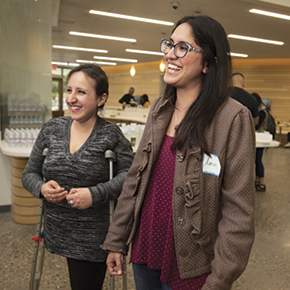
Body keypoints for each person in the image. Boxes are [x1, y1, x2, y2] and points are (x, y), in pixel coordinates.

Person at [101, 15, 255, 290]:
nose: (170, 54)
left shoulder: (232, 118)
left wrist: (220, 279)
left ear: (208, 63)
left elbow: (238, 212)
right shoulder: (160, 109)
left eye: (182, 47)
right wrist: (117, 239)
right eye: (169, 45)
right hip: (146, 246)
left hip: (193, 262)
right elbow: (135, 180)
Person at [22, 64, 134, 290]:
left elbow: (130, 177)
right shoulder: (51, 129)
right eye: (70, 90)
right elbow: (29, 174)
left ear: (100, 99)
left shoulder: (110, 134)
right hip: (56, 230)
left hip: (92, 237)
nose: (71, 98)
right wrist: (42, 188)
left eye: (81, 92)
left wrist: (95, 194)